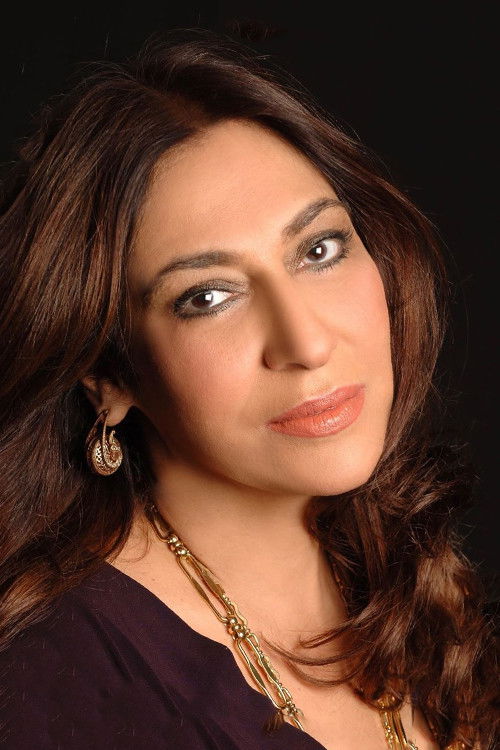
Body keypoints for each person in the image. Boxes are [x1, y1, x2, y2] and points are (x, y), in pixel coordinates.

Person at [0, 26, 497, 750]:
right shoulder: (57, 687)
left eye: (320, 249)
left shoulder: (410, 582)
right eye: (208, 297)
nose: (306, 343)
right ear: (107, 374)